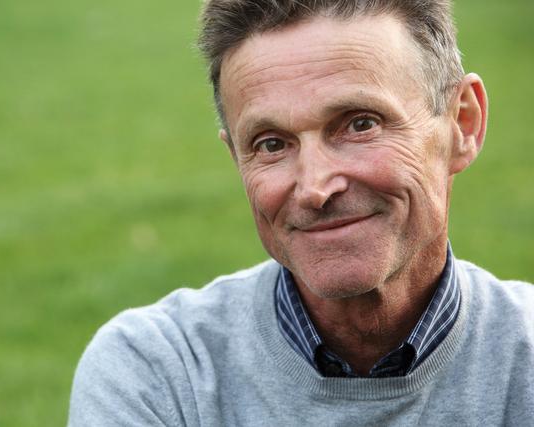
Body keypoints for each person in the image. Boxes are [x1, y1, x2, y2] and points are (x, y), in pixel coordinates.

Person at [69, 1, 534, 425]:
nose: (314, 188)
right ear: (237, 160)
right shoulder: (159, 373)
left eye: (360, 124)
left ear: (462, 122)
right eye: (272, 144)